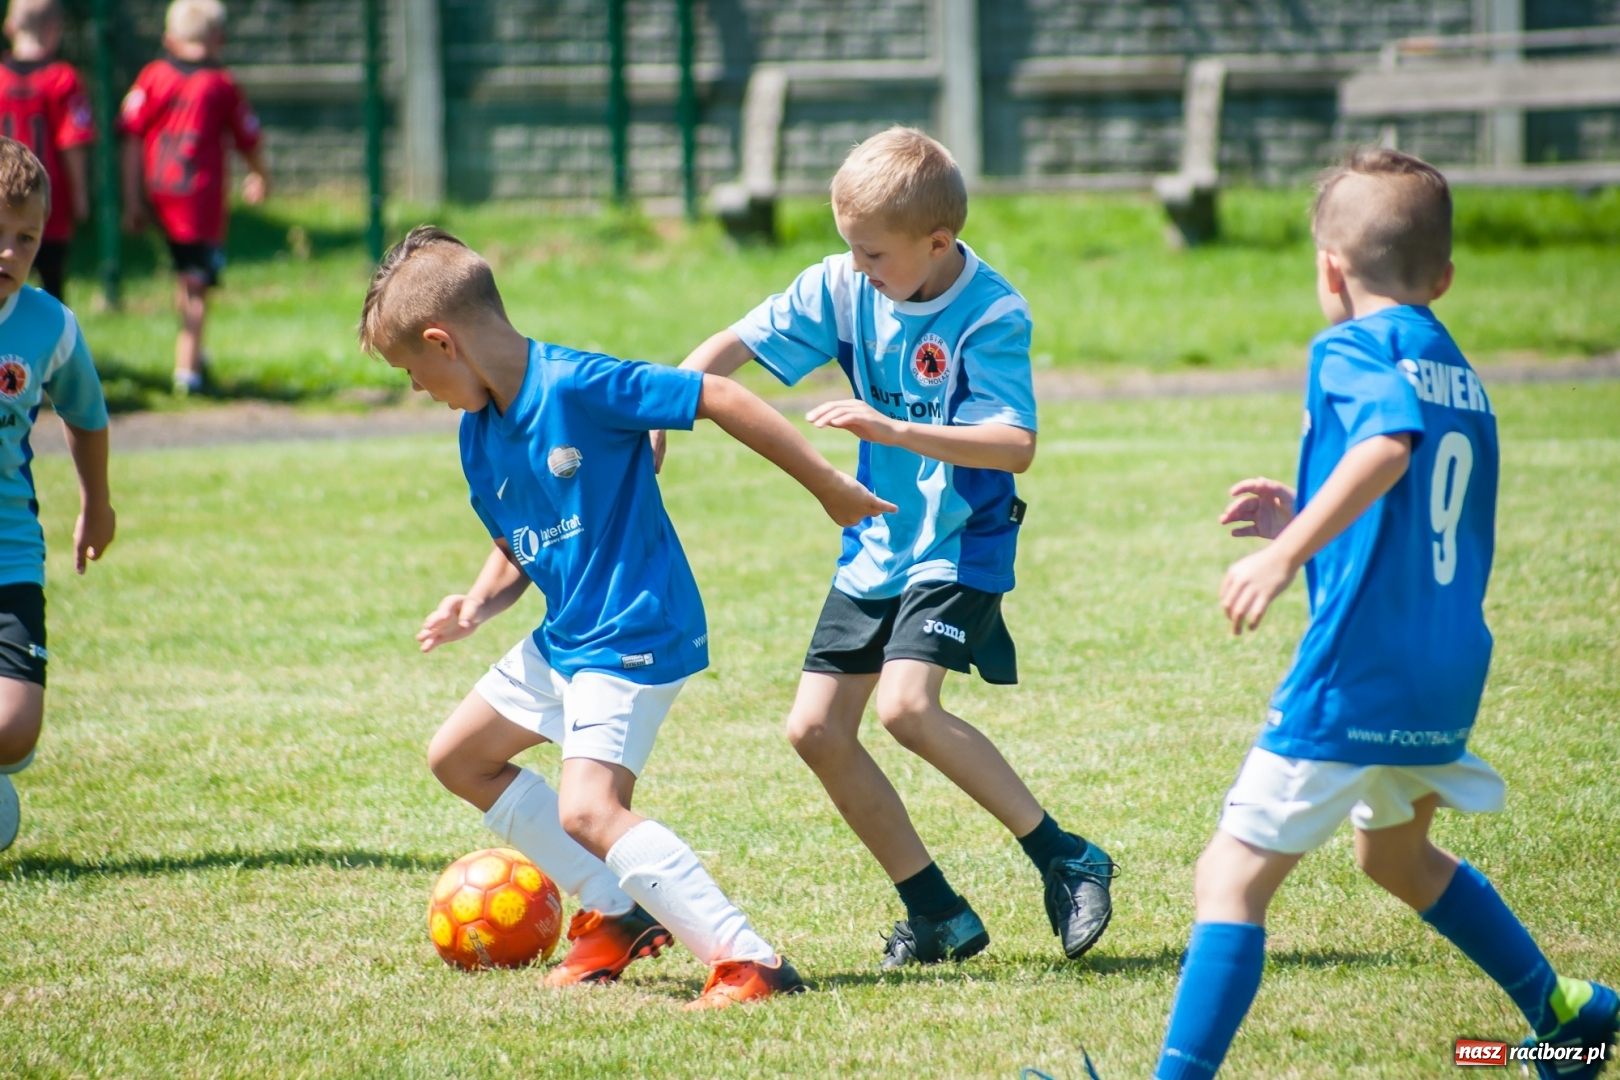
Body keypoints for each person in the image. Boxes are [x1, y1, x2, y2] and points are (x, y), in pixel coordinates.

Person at [1148, 149, 1616, 1080]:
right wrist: (1307, 516)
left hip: (1357, 668)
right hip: (1443, 665)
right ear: (1444, 276)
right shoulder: (1459, 367)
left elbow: (1390, 444)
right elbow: (1411, 500)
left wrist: (1284, 555)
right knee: (1396, 859)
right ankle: (1569, 1015)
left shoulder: (1353, 348)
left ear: (1328, 269)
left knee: (1229, 878)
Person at [359, 226, 894, 1009]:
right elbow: (520, 542)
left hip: (634, 629)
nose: (415, 387)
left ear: (444, 341)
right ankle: (620, 909)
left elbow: (717, 394)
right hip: (570, 635)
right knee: (459, 758)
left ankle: (750, 961)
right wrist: (478, 600)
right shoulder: (479, 436)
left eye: (412, 369)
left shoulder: (577, 385)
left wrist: (827, 486)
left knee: (588, 808)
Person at [655, 127, 1116, 969]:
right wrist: (664, 408)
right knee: (815, 731)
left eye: (873, 254)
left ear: (936, 244)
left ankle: (1065, 857)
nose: (857, 268)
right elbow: (733, 347)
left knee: (907, 708)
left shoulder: (992, 312)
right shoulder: (842, 283)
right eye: (850, 250)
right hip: (878, 542)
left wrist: (893, 427)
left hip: (958, 540)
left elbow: (1014, 443)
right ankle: (937, 912)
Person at [0, 137, 114, 852]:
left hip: (9, 551)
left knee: (14, 730)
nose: (9, 251)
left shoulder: (49, 326)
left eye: (26, 237)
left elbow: (86, 414)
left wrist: (96, 502)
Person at [118, 0, 268, 396]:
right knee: (198, 286)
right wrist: (260, 176)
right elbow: (248, 137)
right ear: (219, 39)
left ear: (169, 38)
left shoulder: (151, 77)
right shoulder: (221, 84)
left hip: (158, 193)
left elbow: (131, 135)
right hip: (198, 202)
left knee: (184, 278)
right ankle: (188, 375)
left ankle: (192, 354)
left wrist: (132, 199)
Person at [0, 0, 91, 303]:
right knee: (53, 283)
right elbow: (73, 144)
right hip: (48, 201)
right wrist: (80, 195)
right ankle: (53, 347)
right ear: (55, 29)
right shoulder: (64, 78)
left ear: (9, 26)